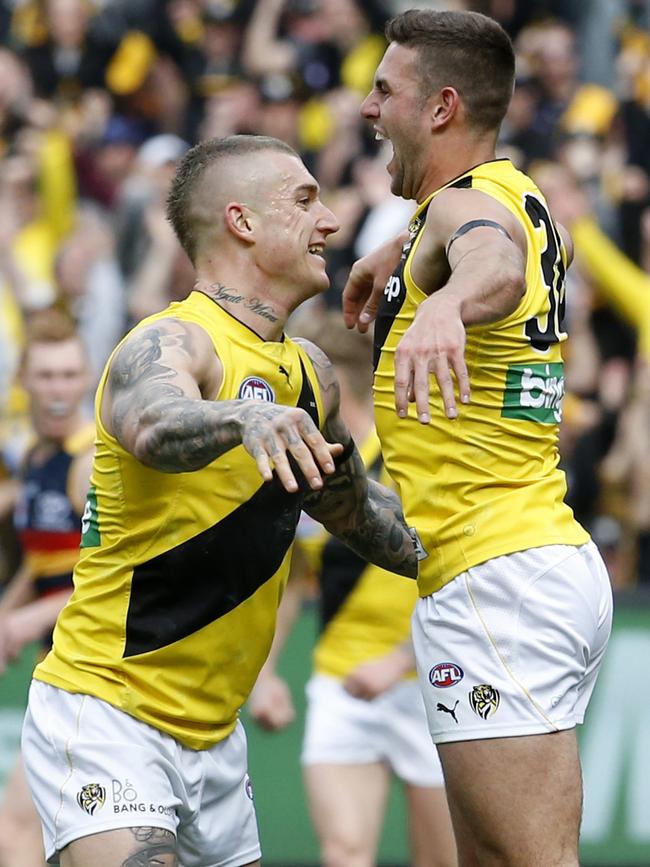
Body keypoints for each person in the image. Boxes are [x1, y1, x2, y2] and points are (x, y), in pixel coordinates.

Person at [20, 134, 419, 867]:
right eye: (304, 200)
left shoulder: (313, 374)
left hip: (216, 741)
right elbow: (152, 423)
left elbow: (359, 514)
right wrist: (244, 415)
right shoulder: (172, 341)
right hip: (110, 711)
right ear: (242, 222)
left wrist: (474, 553)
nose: (329, 219)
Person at [342, 10, 613, 866]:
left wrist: (451, 305)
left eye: (386, 90)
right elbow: (481, 230)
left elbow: (491, 259)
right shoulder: (509, 191)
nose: (366, 107)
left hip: (500, 580)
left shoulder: (471, 213)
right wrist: (402, 248)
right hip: (513, 565)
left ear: (442, 107)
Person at [250, 310, 456, 867]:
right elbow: (292, 583)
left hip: (432, 683)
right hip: (340, 683)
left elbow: (461, 573)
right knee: (344, 851)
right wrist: (264, 677)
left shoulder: (415, 453)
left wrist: (398, 661)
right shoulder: (309, 464)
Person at [0, 309, 94, 867]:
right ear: (24, 382)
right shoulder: (35, 459)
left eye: (69, 375)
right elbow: (42, 563)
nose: (59, 390)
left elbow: (115, 574)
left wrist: (29, 619)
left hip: (95, 672)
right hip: (54, 667)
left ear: (85, 379)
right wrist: (9, 613)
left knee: (21, 836)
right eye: (47, 376)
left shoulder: (90, 463)